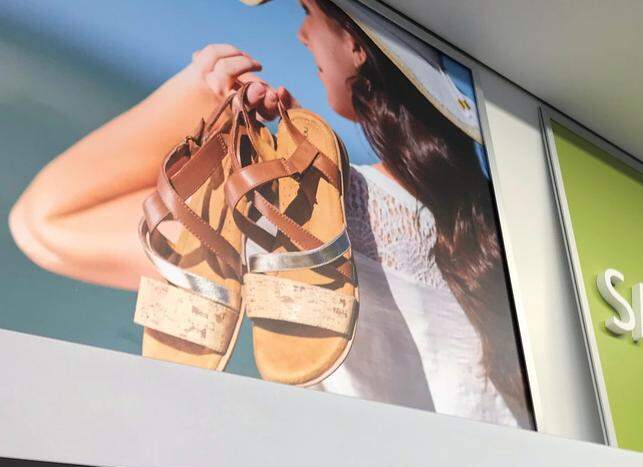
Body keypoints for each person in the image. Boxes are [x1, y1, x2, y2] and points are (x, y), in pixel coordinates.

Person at [9, 0, 532, 428]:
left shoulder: (326, 216)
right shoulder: (505, 239)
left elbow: (46, 222)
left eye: (309, 10)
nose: (302, 34)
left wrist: (199, 95)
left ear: (356, 44)